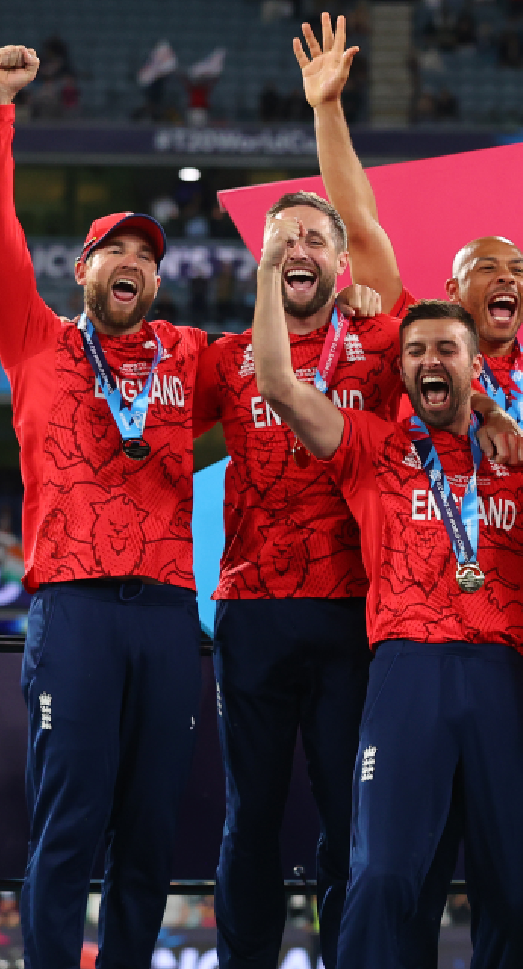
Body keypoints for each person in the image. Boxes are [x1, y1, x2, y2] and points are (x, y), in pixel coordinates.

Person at [296, 12, 523, 943]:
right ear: (455, 300)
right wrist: (328, 112)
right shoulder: (423, 354)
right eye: (483, 272)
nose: (507, 279)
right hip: (430, 633)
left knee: (522, 876)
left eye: (514, 272)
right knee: (405, 866)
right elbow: (361, 226)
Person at [248, 211, 523, 967]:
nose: (432, 361)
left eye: (447, 349)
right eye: (417, 351)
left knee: (518, 891)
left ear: (474, 364)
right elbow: (278, 384)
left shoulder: (522, 458)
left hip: (505, 674)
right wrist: (269, 270)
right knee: (383, 876)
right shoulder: (372, 447)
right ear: (400, 372)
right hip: (406, 670)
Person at [0, 44, 207, 969]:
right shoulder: (34, 342)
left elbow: (286, 366)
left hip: (167, 614)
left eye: (147, 256)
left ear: (158, 283)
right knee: (67, 825)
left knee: (150, 834)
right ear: (83, 269)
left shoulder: (190, 356)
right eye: (117, 249)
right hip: (72, 608)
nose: (133, 262)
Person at [191, 189, 404, 968]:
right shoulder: (225, 357)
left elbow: (456, 377)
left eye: (316, 238)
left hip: (351, 610)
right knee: (250, 816)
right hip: (252, 611)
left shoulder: (385, 342)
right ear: (262, 261)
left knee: (349, 818)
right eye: (283, 239)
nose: (298, 249)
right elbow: (145, 423)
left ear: (340, 263)